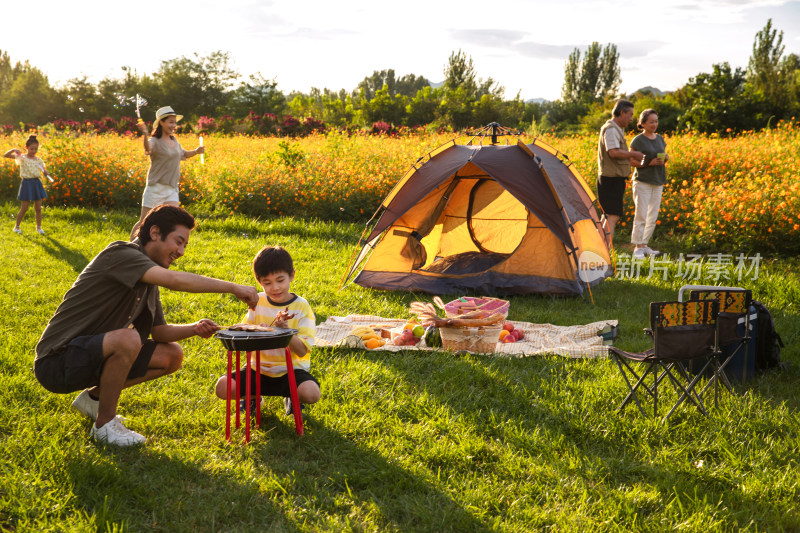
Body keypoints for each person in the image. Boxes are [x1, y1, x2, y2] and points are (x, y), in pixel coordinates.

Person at [34, 205, 259, 446]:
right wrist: (234, 287)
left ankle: (93, 399)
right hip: (56, 361)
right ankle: (104, 425)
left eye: (185, 246)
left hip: (88, 356)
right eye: (178, 241)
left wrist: (195, 328)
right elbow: (174, 280)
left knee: (171, 355)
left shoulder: (148, 282)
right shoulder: (121, 254)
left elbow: (160, 332)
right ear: (154, 233)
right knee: (128, 339)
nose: (181, 251)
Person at [214, 246, 320, 417]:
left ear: (292, 275)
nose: (275, 288)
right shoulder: (257, 301)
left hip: (290, 370)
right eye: (267, 283)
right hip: (257, 369)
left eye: (280, 280)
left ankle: (293, 397)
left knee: (312, 393)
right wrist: (255, 332)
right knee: (222, 387)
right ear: (259, 282)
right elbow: (243, 336)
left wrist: (285, 332)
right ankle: (253, 397)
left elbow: (301, 351)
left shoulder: (301, 306)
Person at [130, 106, 204, 240]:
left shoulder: (174, 140)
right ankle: (131, 247)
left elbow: (183, 154)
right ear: (161, 123)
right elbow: (148, 149)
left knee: (172, 221)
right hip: (156, 188)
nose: (174, 125)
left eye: (175, 122)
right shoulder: (154, 141)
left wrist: (196, 151)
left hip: (171, 188)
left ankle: (164, 250)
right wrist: (145, 134)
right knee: (144, 222)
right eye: (170, 122)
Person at [596, 100, 645, 245]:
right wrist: (633, 155)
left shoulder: (615, 128)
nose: (631, 119)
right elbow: (613, 152)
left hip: (611, 178)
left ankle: (599, 249)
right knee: (612, 216)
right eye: (630, 115)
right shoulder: (611, 130)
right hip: (610, 179)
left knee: (607, 216)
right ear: (622, 112)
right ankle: (606, 252)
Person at [629, 109, 669, 259]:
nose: (654, 124)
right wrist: (648, 163)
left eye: (656, 121)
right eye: (651, 121)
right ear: (643, 123)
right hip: (643, 181)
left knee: (652, 215)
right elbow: (631, 161)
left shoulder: (660, 138)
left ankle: (645, 245)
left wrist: (666, 157)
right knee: (641, 214)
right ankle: (637, 247)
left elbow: (664, 154)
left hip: (658, 180)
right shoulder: (637, 140)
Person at [4, 135, 53, 235]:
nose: (34, 151)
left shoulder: (38, 160)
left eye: (36, 149)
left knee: (38, 208)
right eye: (31, 149)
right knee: (24, 208)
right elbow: (6, 155)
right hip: (26, 184)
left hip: (36, 184)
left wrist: (45, 172)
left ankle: (39, 228)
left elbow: (43, 170)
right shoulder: (22, 158)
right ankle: (16, 227)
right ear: (26, 148)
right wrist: (13, 149)